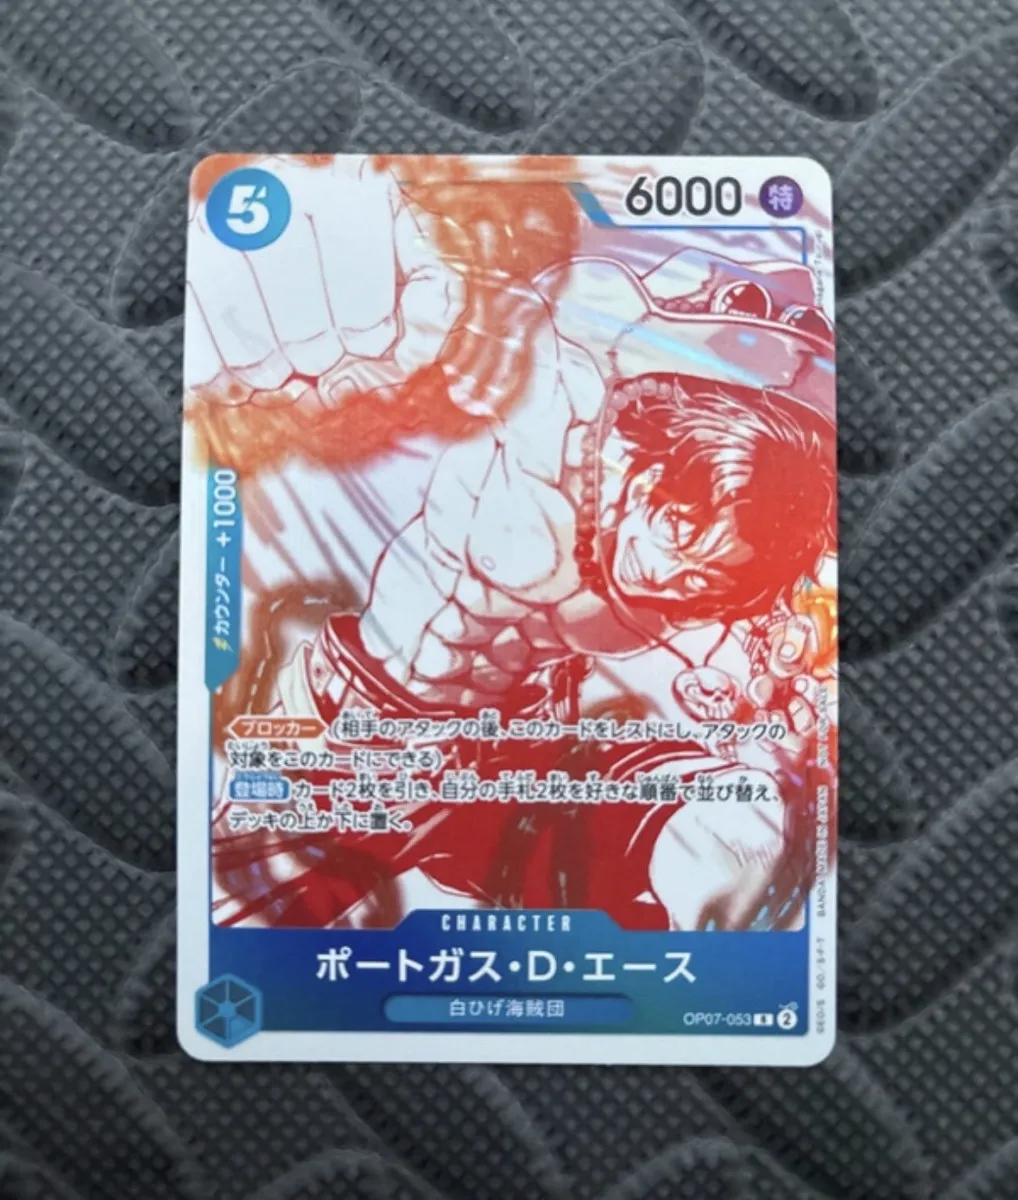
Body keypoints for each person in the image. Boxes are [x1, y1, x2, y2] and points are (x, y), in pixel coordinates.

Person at [188, 156, 836, 931]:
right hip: (360, 741)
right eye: (680, 529)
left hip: (520, 756)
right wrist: (320, 264)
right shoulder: (554, 394)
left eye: (701, 578)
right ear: (657, 466)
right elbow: (450, 273)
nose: (672, 575)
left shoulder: (732, 587)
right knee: (237, 937)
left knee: (737, 835)